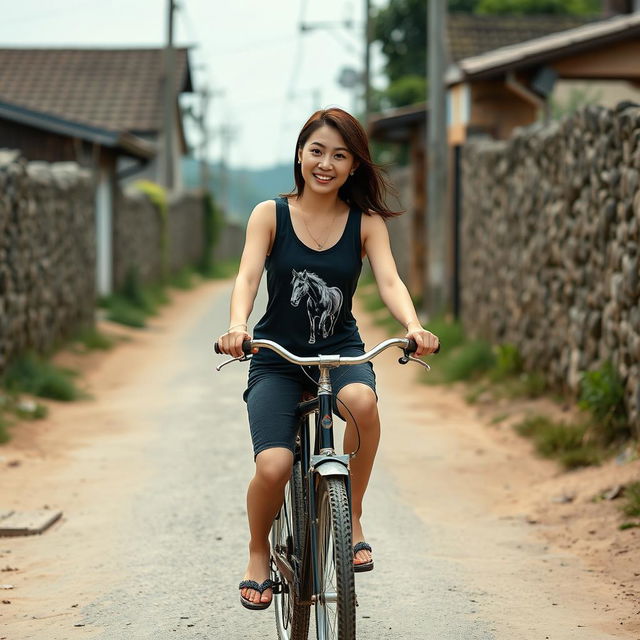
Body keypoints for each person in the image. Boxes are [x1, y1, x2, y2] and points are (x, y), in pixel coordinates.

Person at [216, 107, 439, 610]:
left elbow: (388, 279)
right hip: (276, 357)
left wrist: (413, 326)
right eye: (317, 151)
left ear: (354, 166)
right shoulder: (269, 213)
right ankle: (257, 554)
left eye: (340, 155)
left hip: (340, 353)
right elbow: (248, 275)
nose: (326, 163)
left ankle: (352, 516)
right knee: (273, 466)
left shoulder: (366, 222)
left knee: (362, 402)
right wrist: (237, 326)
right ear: (300, 154)